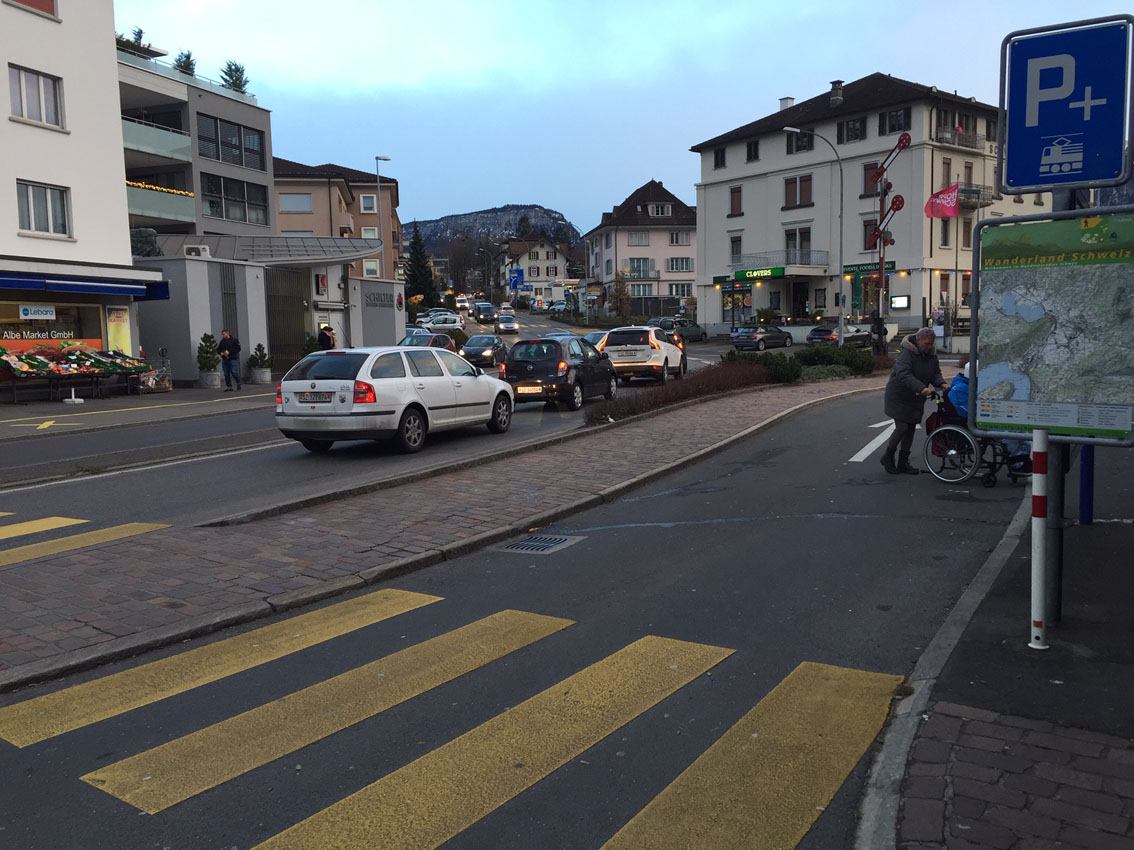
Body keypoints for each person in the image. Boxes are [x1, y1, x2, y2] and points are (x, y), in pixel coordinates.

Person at [881, 327, 946, 474]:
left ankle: (903, 462)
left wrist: (941, 383)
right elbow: (903, 373)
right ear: (918, 340)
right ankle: (888, 456)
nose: (929, 346)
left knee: (910, 429)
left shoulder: (931, 356)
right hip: (899, 396)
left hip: (916, 397)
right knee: (902, 427)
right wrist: (921, 388)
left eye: (931, 343)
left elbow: (935, 373)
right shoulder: (907, 353)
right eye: (926, 343)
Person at [948, 361, 1031, 472]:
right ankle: (1017, 463)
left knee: (1018, 428)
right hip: (977, 422)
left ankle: (1024, 458)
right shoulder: (959, 389)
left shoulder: (975, 386)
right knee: (1008, 433)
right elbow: (966, 412)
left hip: (986, 417)